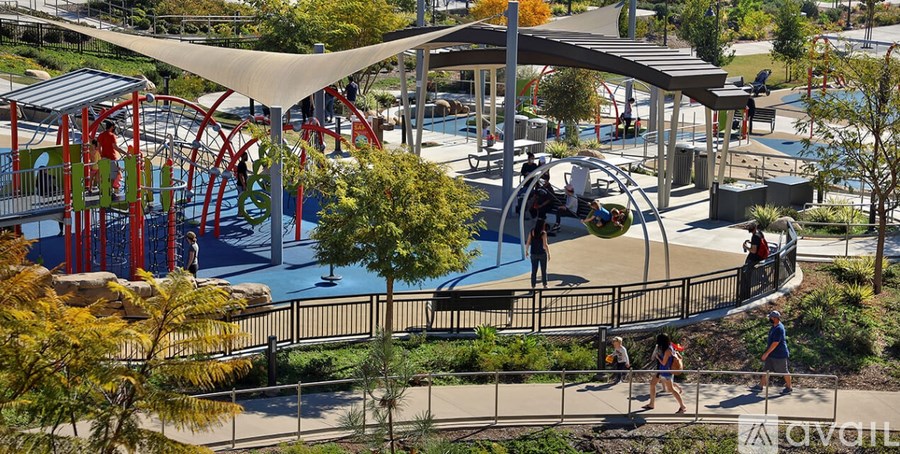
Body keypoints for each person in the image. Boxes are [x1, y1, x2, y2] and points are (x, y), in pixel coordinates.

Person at [642, 333, 686, 413]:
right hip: (661, 371)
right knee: (652, 384)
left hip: (666, 372)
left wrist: (658, 357)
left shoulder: (668, 350)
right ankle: (651, 404)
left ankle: (682, 406)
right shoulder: (670, 347)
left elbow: (664, 363)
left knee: (671, 389)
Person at [751, 311, 792, 394]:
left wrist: (766, 353)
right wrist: (768, 353)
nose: (769, 319)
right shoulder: (774, 327)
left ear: (776, 318)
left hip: (779, 355)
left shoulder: (779, 328)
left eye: (771, 317)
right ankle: (760, 386)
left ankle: (789, 387)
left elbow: (775, 343)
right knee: (766, 370)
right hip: (771, 354)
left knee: (784, 371)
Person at [96, 121, 127, 192]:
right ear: (112, 127)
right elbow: (115, 147)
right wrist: (125, 153)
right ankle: (109, 190)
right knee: (114, 174)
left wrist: (101, 155)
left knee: (104, 174)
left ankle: (103, 188)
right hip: (111, 158)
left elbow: (98, 147)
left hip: (104, 158)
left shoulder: (101, 135)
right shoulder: (112, 136)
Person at [741, 221, 767, 299]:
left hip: (754, 258)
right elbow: (758, 244)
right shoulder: (760, 233)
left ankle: (745, 295)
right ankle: (745, 293)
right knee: (746, 273)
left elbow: (753, 251)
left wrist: (745, 247)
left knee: (745, 274)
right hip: (761, 256)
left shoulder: (755, 237)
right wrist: (751, 243)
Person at [524, 218, 550, 289]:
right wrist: (548, 253)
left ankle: (533, 286)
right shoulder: (543, 233)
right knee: (543, 270)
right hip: (542, 253)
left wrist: (526, 251)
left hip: (533, 253)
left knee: (534, 270)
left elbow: (528, 242)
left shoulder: (532, 231)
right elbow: (545, 245)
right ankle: (544, 285)